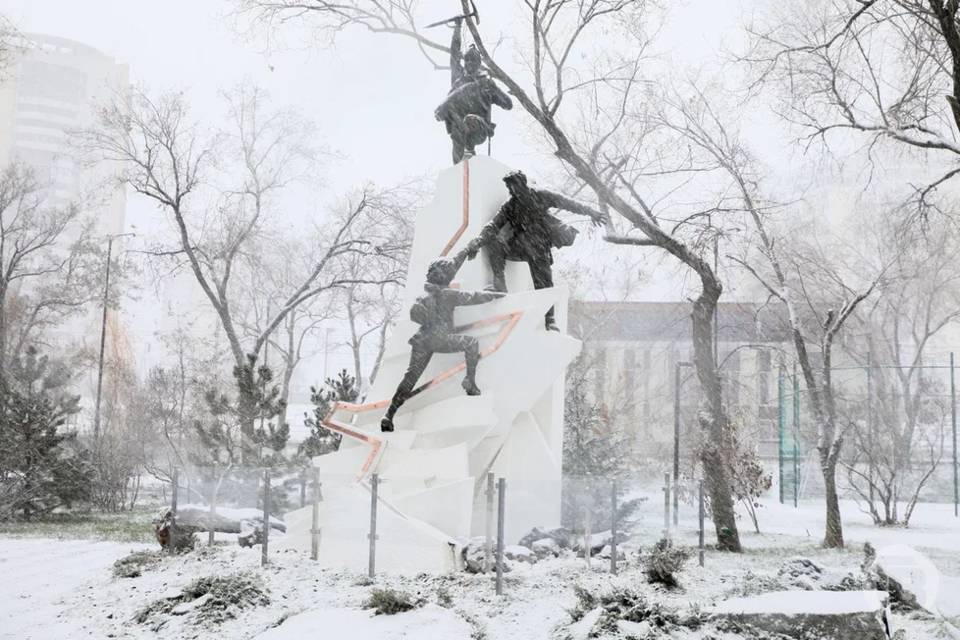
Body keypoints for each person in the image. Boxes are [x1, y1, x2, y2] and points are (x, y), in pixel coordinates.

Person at [380, 250, 504, 433]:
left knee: (410, 378)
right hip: (440, 339)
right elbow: (472, 297)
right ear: (445, 277)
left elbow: (455, 266)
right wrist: (493, 294)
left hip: (422, 340)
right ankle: (469, 381)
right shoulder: (447, 295)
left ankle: (389, 414)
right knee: (471, 343)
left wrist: (466, 250)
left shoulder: (425, 294)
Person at [466, 171, 607, 331]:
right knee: (494, 241)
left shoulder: (540, 195)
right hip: (519, 245)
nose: (511, 191)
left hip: (539, 246)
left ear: (522, 184)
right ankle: (500, 283)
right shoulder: (510, 205)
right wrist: (477, 242)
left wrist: (591, 212)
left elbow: (568, 203)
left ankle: (550, 320)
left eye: (512, 186)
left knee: (544, 282)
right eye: (508, 187)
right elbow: (493, 225)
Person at [434, 18, 513, 164]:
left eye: (473, 61)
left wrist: (495, 91)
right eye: (467, 61)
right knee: (458, 126)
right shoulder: (459, 79)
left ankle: (469, 150)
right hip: (459, 128)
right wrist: (458, 27)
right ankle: (460, 166)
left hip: (479, 128)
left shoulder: (486, 83)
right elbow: (454, 53)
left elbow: (508, 104)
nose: (469, 64)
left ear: (478, 64)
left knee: (470, 119)